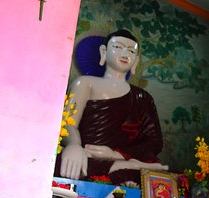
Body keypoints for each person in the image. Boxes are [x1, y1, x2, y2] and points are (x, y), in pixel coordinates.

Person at [55, 29, 167, 184]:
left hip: (123, 159)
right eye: (118, 47)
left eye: (131, 51)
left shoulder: (143, 97)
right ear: (104, 51)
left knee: (161, 177)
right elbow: (68, 123)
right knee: (58, 164)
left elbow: (154, 142)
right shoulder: (85, 83)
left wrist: (116, 154)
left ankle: (123, 164)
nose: (125, 53)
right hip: (88, 156)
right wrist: (74, 146)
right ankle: (127, 166)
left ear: (136, 60)